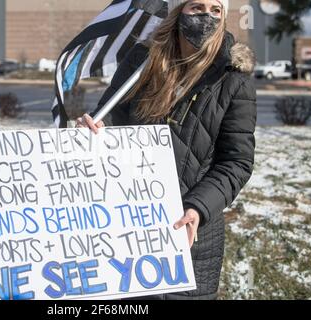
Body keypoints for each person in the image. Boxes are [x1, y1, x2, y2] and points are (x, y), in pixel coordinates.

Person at [77, 0, 257, 300]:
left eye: (216, 10)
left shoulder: (234, 81)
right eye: (196, 8)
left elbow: (236, 162)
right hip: (131, 227)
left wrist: (198, 207)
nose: (207, 17)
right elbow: (111, 117)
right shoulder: (141, 64)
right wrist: (96, 129)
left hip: (193, 237)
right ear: (177, 13)